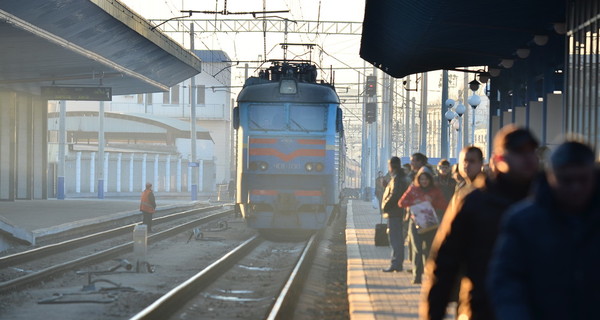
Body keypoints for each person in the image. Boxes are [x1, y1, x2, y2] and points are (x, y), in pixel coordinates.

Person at [420, 125, 539, 320]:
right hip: (483, 309)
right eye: (518, 152)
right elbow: (444, 264)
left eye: (531, 151)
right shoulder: (474, 203)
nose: (527, 158)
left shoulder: (549, 202)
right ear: (498, 159)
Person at [488, 141, 600, 320]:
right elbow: (507, 280)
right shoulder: (523, 222)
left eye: (582, 179)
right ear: (551, 176)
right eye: (566, 180)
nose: (575, 188)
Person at [399, 167, 448, 283]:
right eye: (421, 179)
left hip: (430, 224)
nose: (424, 182)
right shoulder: (413, 189)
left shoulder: (435, 191)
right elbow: (401, 203)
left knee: (429, 251)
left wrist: (432, 201)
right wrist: (413, 202)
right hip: (416, 223)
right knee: (417, 249)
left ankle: (429, 275)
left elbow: (444, 205)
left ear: (430, 179)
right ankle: (416, 276)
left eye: (426, 179)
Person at [381, 157, 409, 272]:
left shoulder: (397, 179)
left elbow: (395, 194)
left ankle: (396, 264)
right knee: (397, 239)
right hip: (397, 213)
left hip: (395, 213)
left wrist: (385, 205)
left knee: (395, 239)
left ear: (392, 166)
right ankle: (397, 263)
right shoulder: (400, 178)